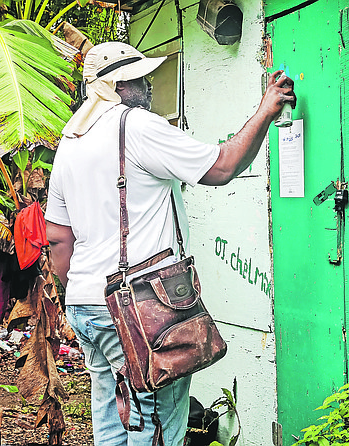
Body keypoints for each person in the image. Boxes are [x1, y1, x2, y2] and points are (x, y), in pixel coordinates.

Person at [45, 41, 295, 446]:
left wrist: (86, 292)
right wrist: (267, 108)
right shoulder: (137, 127)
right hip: (140, 310)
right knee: (155, 427)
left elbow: (58, 235)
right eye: (140, 78)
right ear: (119, 86)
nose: (148, 85)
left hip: (86, 305)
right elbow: (223, 165)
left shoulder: (71, 141)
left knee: (112, 421)